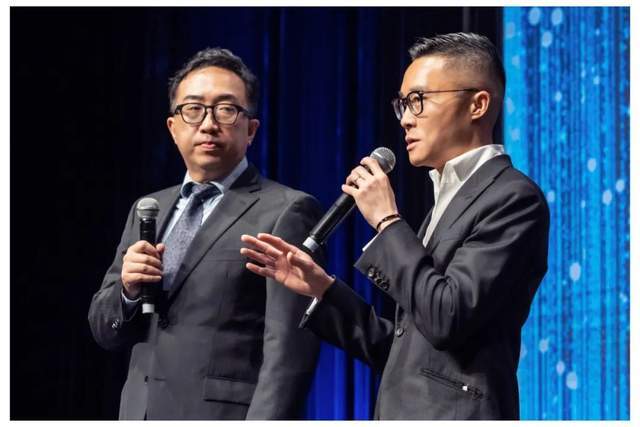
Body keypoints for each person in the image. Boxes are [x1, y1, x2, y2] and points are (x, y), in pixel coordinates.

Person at [240, 33, 550, 420]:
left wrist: (387, 221)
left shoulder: (513, 198)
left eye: (418, 100)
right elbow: (405, 352)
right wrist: (324, 289)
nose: (405, 118)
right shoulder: (447, 199)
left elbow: (447, 317)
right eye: (402, 104)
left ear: (478, 104)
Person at [88, 48, 323, 420]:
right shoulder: (148, 209)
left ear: (251, 129)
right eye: (193, 109)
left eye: (226, 109)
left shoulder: (287, 210)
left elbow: (290, 351)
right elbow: (105, 330)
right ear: (173, 127)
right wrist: (128, 292)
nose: (208, 124)